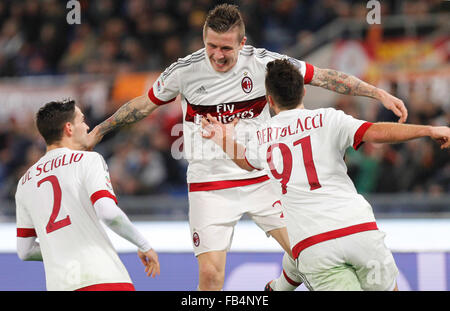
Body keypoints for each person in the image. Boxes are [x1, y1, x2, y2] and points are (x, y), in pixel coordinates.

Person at [86, 4, 408, 291]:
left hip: (262, 177)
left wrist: (377, 94)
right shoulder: (185, 71)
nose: (217, 55)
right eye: (211, 45)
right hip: (209, 185)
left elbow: (322, 77)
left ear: (242, 43)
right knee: (211, 278)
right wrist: (100, 130)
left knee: (305, 253)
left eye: (226, 48)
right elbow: (144, 105)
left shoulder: (264, 63)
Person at [201, 58, 450, 291]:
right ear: (304, 91)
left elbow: (245, 161)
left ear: (270, 100)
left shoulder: (261, 137)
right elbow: (375, 133)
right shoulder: (328, 119)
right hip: (358, 231)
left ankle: (279, 286)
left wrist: (223, 139)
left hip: (314, 245)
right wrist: (427, 130)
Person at [15, 100, 160, 291]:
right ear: (69, 128)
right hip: (103, 279)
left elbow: (24, 251)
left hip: (60, 285)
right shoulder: (88, 160)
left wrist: (57, 249)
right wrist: (143, 244)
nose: (87, 126)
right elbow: (107, 212)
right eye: (82, 120)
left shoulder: (25, 183)